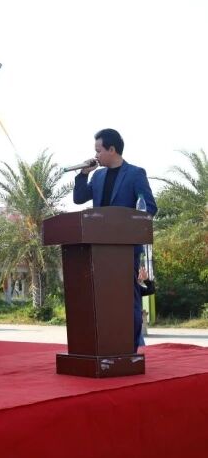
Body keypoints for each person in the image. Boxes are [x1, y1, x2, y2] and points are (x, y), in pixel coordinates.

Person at [72, 128, 157, 352]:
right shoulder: (98, 176)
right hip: (99, 248)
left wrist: (127, 226)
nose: (96, 155)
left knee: (129, 298)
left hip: (126, 249)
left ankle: (132, 348)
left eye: (98, 150)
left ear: (112, 149)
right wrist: (83, 174)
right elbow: (79, 199)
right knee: (104, 299)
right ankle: (108, 345)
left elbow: (149, 207)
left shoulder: (135, 173)